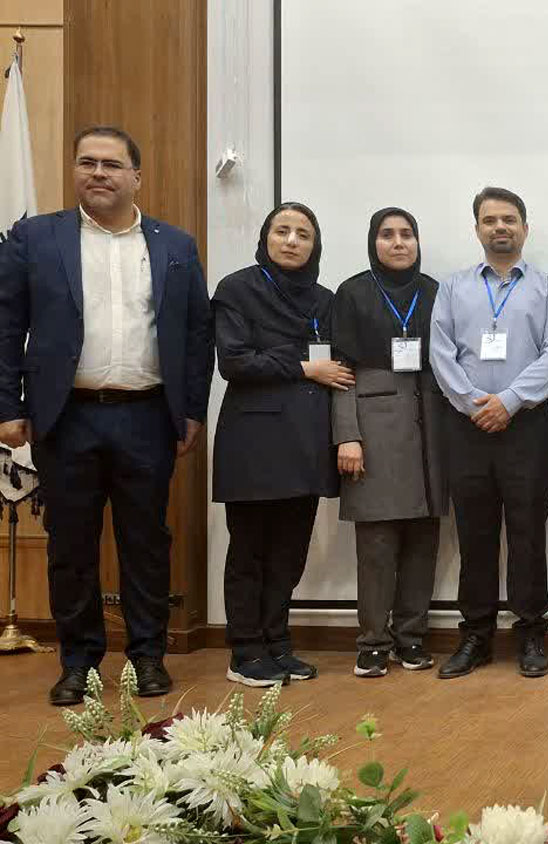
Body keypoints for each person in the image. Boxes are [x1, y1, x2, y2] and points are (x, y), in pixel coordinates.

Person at [0, 126, 213, 706]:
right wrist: (9, 406)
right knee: (71, 546)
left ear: (136, 177)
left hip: (147, 416)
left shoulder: (175, 245)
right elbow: (6, 325)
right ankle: (79, 664)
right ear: (74, 170)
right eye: (87, 162)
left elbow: (198, 333)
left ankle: (147, 657)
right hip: (66, 418)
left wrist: (193, 410)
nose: (98, 172)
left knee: (146, 543)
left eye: (112, 164)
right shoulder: (35, 238)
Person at [431, 187, 548, 680]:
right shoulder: (453, 288)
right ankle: (476, 636)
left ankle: (530, 633)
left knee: (528, 534)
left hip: (526, 427)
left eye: (509, 219)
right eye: (490, 220)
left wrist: (508, 402)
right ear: (477, 230)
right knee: (475, 535)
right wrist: (475, 403)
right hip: (467, 426)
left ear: (525, 228)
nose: (500, 227)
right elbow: (440, 352)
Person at [212, 201, 342, 687]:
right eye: (282, 231)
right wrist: (305, 367)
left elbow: (337, 367)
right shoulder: (237, 288)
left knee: (289, 551)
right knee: (250, 550)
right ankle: (245, 651)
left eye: (303, 234)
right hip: (254, 442)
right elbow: (235, 362)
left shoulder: (325, 300)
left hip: (306, 441)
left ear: (315, 245)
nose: (292, 241)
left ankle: (277, 643)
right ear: (265, 238)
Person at [330, 208, 446, 678]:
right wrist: (347, 435)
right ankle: (373, 642)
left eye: (407, 234)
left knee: (423, 541)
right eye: (387, 234)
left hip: (431, 426)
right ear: (372, 242)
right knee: (377, 545)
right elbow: (340, 371)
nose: (398, 243)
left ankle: (411, 637)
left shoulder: (435, 292)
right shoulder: (353, 292)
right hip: (374, 430)